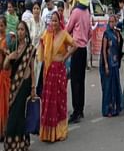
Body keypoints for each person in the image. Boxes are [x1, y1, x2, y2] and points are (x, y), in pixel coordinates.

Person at [38, 12, 77, 142]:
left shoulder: (64, 34)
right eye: (52, 21)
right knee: (48, 100)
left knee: (59, 100)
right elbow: (41, 46)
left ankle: (59, 131)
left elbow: (75, 45)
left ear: (59, 21)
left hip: (59, 70)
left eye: (55, 21)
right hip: (49, 71)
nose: (53, 24)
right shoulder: (48, 34)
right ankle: (48, 132)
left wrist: (65, 58)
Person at [3, 21, 36, 151]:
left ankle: (22, 145)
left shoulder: (30, 49)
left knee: (21, 116)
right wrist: (9, 58)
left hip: (25, 85)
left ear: (26, 32)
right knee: (12, 117)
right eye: (18, 30)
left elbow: (32, 69)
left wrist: (33, 87)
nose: (20, 32)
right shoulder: (13, 47)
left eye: (22, 30)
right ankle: (11, 145)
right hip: (13, 86)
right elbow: (5, 67)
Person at [66, 2, 92, 124]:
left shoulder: (76, 12)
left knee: (75, 82)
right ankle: (80, 110)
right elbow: (90, 33)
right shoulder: (87, 12)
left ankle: (76, 112)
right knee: (81, 81)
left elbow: (67, 29)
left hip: (76, 48)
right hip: (84, 49)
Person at [99, 15, 123, 117]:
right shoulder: (106, 34)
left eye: (114, 22)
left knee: (115, 85)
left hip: (115, 63)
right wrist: (106, 65)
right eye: (111, 22)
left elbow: (119, 48)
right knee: (108, 87)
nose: (112, 24)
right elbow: (104, 50)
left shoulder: (117, 33)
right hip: (108, 62)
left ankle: (115, 108)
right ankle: (108, 109)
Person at [27, 2, 46, 96]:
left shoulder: (42, 23)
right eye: (34, 8)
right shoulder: (29, 22)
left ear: (40, 10)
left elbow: (43, 38)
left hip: (39, 52)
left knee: (38, 73)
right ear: (32, 10)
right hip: (30, 52)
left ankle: (36, 95)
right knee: (30, 74)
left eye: (38, 8)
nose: (36, 10)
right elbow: (27, 38)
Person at [0, 16, 10, 142]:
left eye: (2, 25)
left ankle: (4, 131)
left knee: (4, 104)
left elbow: (10, 56)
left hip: (4, 74)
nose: (0, 27)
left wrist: (3, 50)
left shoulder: (7, 40)